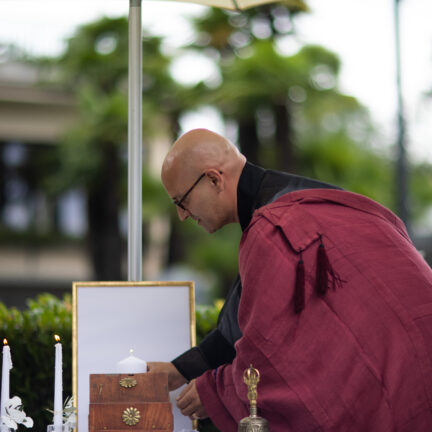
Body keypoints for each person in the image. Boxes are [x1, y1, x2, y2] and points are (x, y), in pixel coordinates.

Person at [148, 128, 432, 431]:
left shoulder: (273, 226)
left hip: (393, 383)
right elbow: (244, 317)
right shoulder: (312, 203)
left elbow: (275, 356)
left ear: (215, 179)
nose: (182, 215)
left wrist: (217, 390)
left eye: (181, 201)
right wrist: (180, 370)